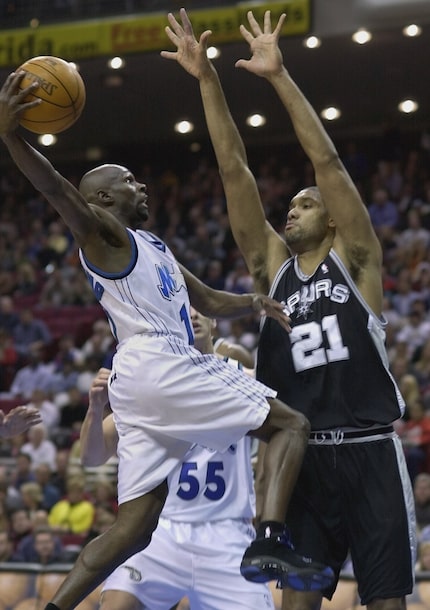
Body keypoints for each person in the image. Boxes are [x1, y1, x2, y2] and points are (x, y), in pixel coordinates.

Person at [0, 68, 333, 610]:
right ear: (104, 198)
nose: (142, 185)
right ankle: (270, 543)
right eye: (130, 181)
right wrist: (11, 133)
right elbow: (54, 188)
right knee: (291, 424)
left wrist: (250, 302)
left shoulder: (149, 244)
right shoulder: (103, 234)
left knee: (134, 528)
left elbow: (204, 298)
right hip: (160, 362)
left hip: (142, 379)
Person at [162, 8, 416, 610]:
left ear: (331, 215)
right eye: (291, 206)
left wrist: (278, 76)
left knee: (386, 604)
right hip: (298, 459)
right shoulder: (270, 271)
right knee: (295, 605)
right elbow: (234, 172)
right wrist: (208, 80)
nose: (291, 210)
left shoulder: (356, 259)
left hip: (368, 450)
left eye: (304, 205)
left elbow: (327, 164)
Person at [80, 309, 275, 610]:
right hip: (161, 530)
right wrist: (95, 408)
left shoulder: (243, 377)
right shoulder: (149, 384)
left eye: (201, 311)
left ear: (214, 322)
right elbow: (92, 457)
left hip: (227, 533)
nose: (193, 316)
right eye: (185, 311)